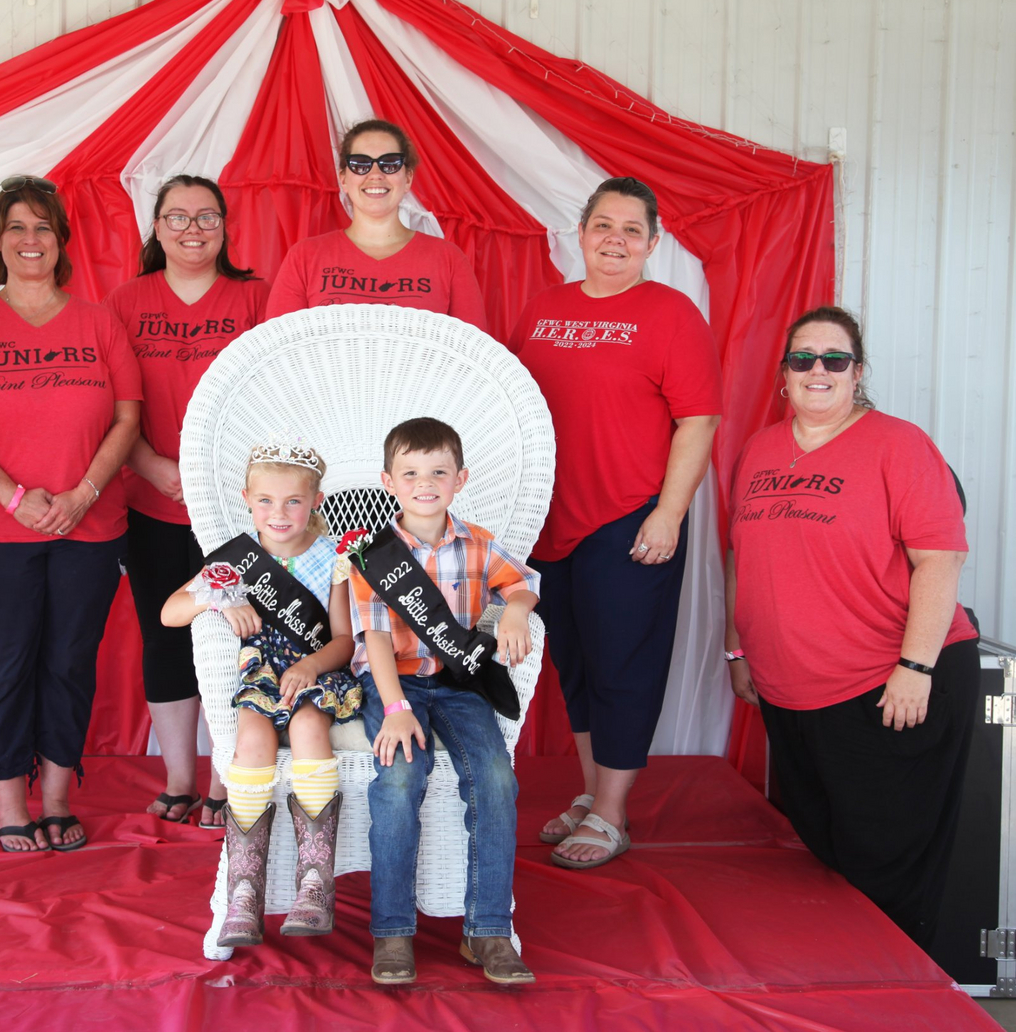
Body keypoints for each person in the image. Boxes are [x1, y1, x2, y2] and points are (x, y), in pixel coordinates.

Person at [725, 306, 979, 947]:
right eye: (803, 358)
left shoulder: (900, 444)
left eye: (834, 359)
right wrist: (738, 648)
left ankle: (895, 995)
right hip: (791, 694)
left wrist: (916, 667)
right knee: (827, 850)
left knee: (886, 869)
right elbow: (740, 557)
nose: (818, 370)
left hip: (886, 689)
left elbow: (940, 562)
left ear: (857, 372)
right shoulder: (758, 449)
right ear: (784, 374)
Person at [510, 176, 722, 868]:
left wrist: (668, 513)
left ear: (653, 242)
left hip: (629, 518)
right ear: (581, 232)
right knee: (572, 661)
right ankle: (590, 790)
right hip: (549, 520)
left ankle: (611, 812)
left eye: (632, 230)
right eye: (604, 225)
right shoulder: (542, 310)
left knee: (623, 664)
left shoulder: (670, 314)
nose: (615, 240)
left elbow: (698, 420)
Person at [0, 175, 141, 854]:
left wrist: (81, 493)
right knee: (5, 660)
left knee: (68, 661)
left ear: (60, 242)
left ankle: (56, 796)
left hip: (90, 524)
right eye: (17, 227)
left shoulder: (98, 321)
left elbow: (127, 417)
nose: (31, 240)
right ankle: (9, 801)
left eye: (43, 228)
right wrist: (15, 496)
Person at [349, 417, 539, 986]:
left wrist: (516, 609)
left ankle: (487, 931)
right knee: (401, 778)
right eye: (410, 473)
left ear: (460, 478)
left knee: (496, 779)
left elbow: (522, 582)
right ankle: (392, 931)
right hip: (395, 686)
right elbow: (375, 638)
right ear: (389, 481)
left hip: (458, 685)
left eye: (438, 472)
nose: (424, 482)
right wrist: (396, 709)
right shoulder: (374, 555)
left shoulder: (478, 542)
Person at [105, 175, 268, 828]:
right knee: (165, 634)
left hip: (235, 505)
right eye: (177, 216)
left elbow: (272, 394)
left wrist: (218, 476)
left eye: (205, 216)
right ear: (156, 228)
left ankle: (226, 778)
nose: (192, 228)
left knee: (239, 634)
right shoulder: (124, 301)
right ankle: (179, 779)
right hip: (153, 499)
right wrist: (150, 464)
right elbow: (114, 404)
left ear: (226, 226)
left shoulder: (255, 297)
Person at [162, 444, 359, 946]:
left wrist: (312, 664)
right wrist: (219, 600)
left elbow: (341, 640)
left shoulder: (332, 558)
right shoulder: (236, 561)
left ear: (315, 500)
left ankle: (315, 883)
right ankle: (244, 891)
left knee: (310, 725)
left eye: (293, 501)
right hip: (260, 678)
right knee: (250, 741)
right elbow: (169, 613)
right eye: (266, 501)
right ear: (247, 499)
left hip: (315, 673)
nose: (279, 513)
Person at [265, 118, 486, 328]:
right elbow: (278, 351)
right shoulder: (304, 257)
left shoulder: (449, 260)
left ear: (407, 178)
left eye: (389, 164)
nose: (375, 174)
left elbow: (473, 355)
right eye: (360, 165)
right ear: (343, 179)